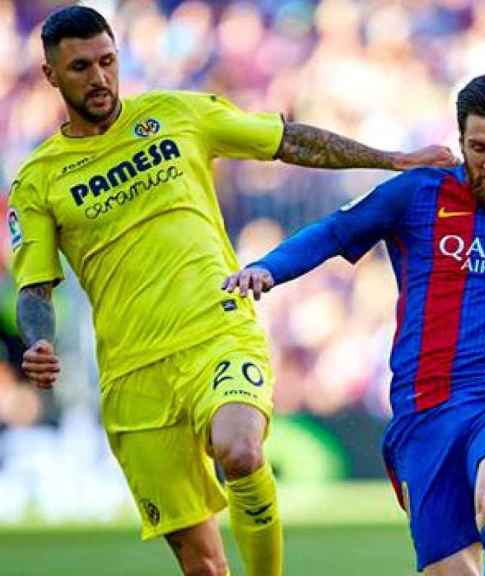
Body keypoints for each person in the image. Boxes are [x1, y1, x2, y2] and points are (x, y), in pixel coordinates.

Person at [10, 5, 455, 576]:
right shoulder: (40, 179)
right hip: (132, 375)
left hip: (216, 329)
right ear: (50, 75)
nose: (98, 78)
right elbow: (34, 286)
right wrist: (39, 341)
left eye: (106, 61)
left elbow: (288, 141)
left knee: (241, 451)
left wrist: (391, 159)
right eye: (79, 68)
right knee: (203, 565)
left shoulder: (177, 114)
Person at [224, 71, 485, 576]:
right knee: (448, 570)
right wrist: (270, 267)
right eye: (477, 147)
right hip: (424, 409)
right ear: (459, 140)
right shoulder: (416, 194)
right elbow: (335, 231)